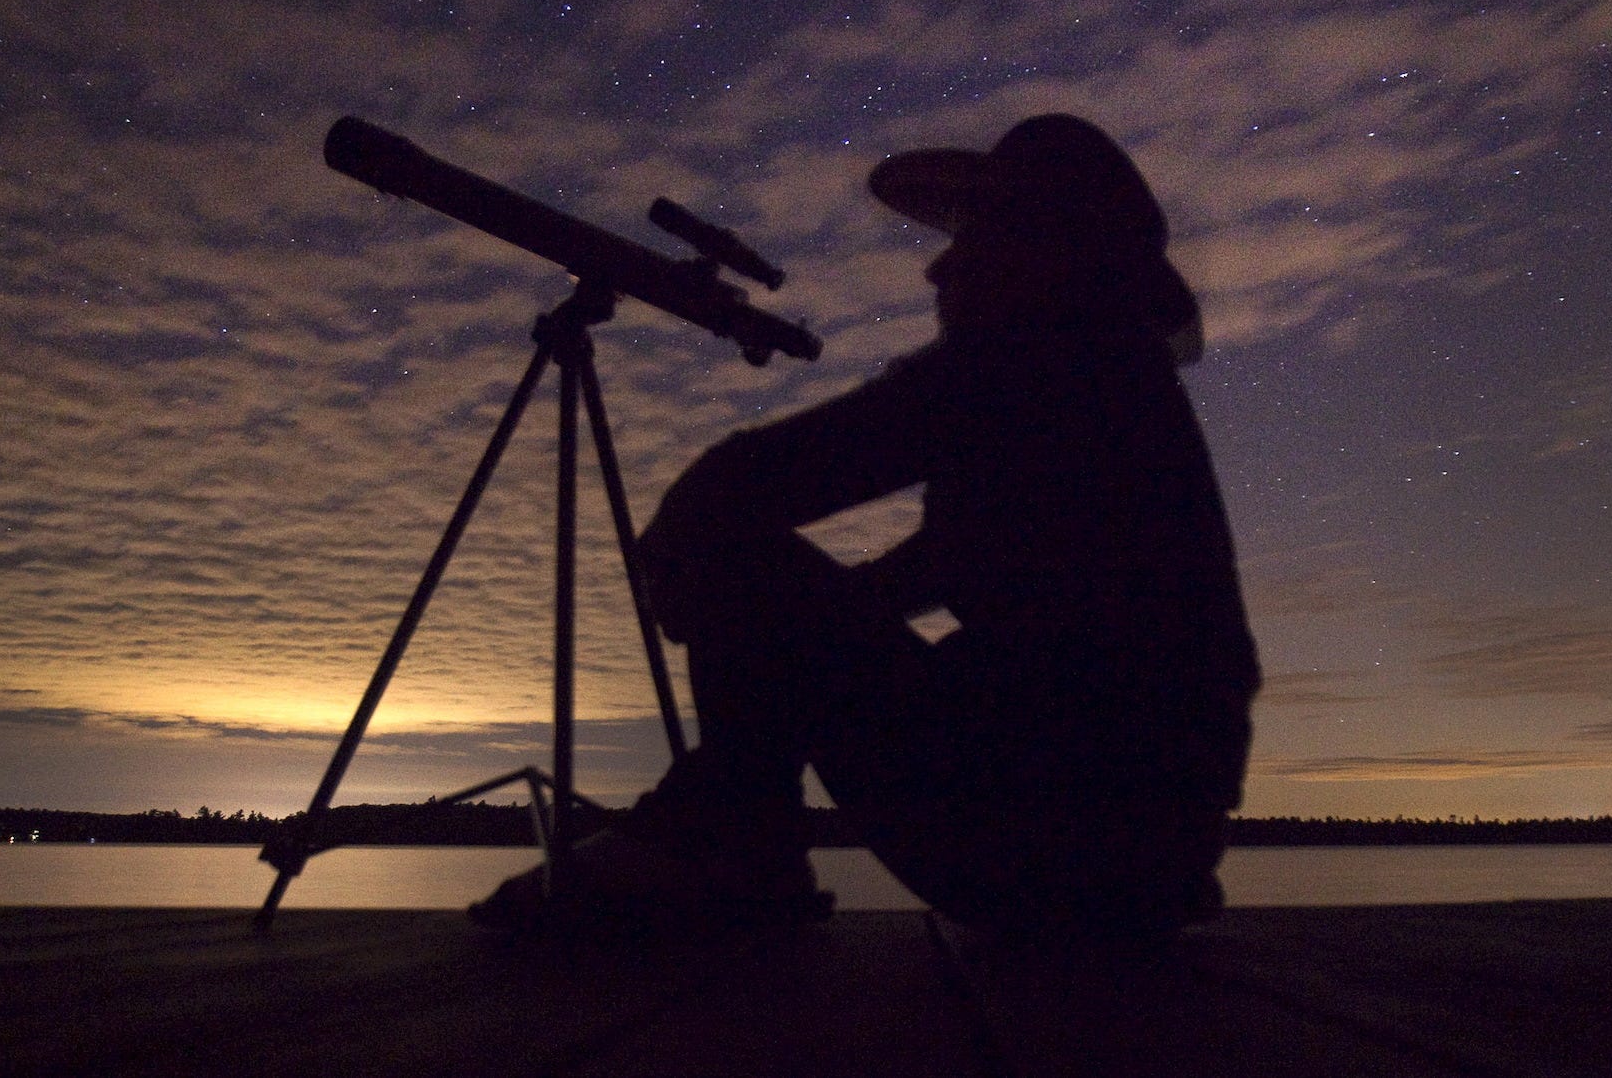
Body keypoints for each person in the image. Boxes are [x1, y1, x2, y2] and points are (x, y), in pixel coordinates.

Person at [471, 114, 1260, 943]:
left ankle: (734, 847)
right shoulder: (1109, 398)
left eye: (976, 237)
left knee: (731, 545)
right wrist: (792, 642)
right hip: (1138, 868)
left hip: (1054, 852)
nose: (939, 265)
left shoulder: (1033, 362)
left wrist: (727, 599)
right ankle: (734, 837)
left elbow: (729, 491)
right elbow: (922, 578)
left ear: (1038, 250)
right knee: (766, 589)